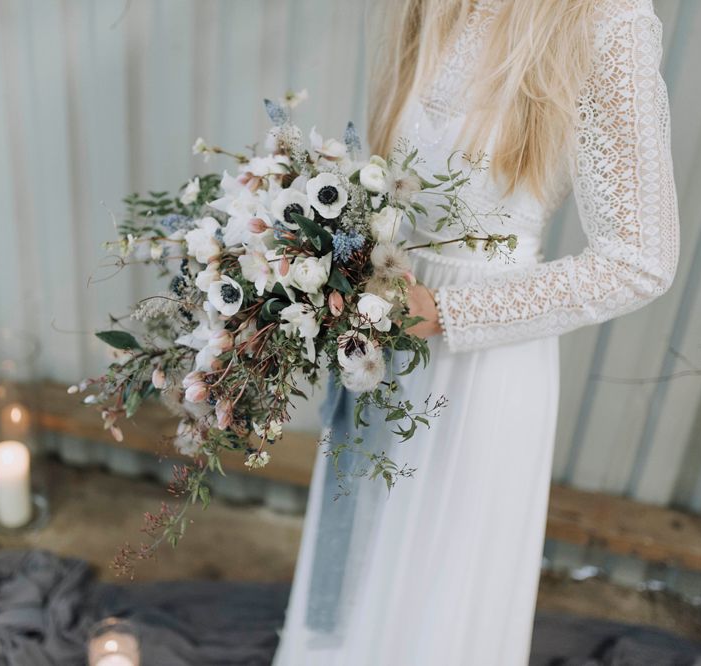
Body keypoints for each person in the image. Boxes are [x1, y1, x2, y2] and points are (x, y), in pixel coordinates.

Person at [272, 0, 679, 663]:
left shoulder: (607, 20)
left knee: (437, 584)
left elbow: (641, 260)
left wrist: (450, 314)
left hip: (484, 359)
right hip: (386, 335)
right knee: (364, 558)